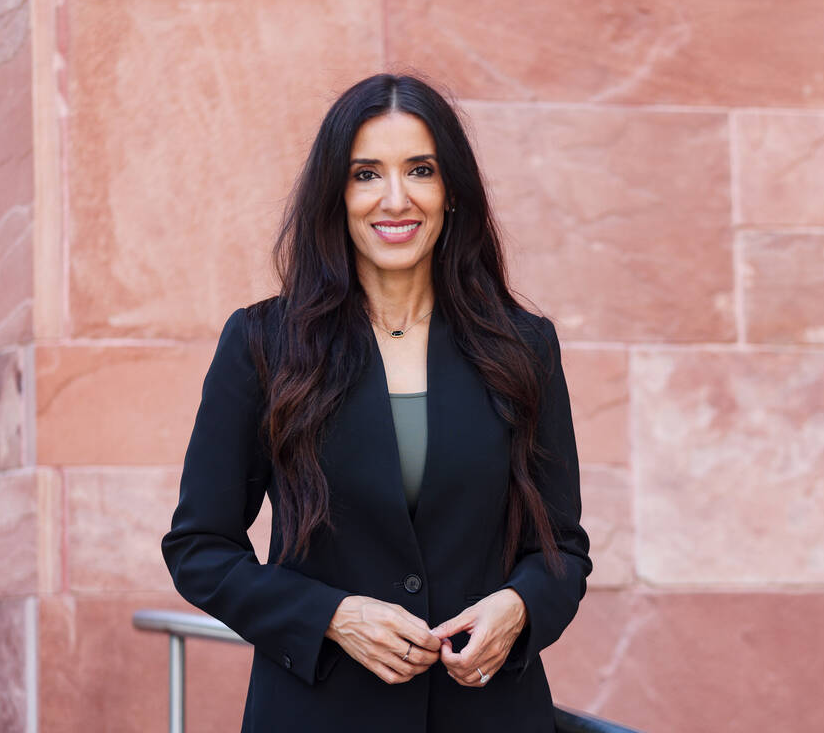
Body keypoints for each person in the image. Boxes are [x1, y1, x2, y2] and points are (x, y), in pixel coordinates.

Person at [161, 72, 593, 732]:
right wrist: (332, 616)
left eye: (420, 170)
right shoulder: (263, 344)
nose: (395, 199)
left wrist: (520, 606)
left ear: (451, 193)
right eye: (367, 174)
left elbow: (561, 546)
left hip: (489, 714)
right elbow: (200, 547)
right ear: (336, 194)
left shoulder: (523, 347)